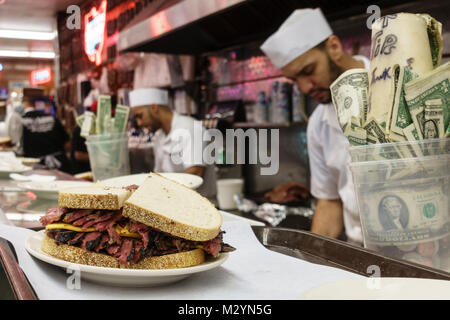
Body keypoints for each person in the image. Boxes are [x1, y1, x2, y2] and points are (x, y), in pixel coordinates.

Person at [260, 8, 370, 244]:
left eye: (308, 71)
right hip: (361, 254)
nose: (305, 88)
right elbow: (330, 201)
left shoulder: (396, 87)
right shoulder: (318, 124)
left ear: (334, 47)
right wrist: (312, 261)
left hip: (426, 257)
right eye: (294, 80)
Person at [129, 88, 216, 199]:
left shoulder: (190, 128)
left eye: (140, 116)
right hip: (176, 204)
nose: (139, 123)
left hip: (202, 207)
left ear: (154, 107)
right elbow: (159, 175)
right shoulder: (159, 137)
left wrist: (154, 187)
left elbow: (196, 172)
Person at [21, 96, 71, 173]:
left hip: (33, 167)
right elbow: (67, 143)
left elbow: (18, 145)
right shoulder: (53, 119)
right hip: (59, 165)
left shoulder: (21, 121)